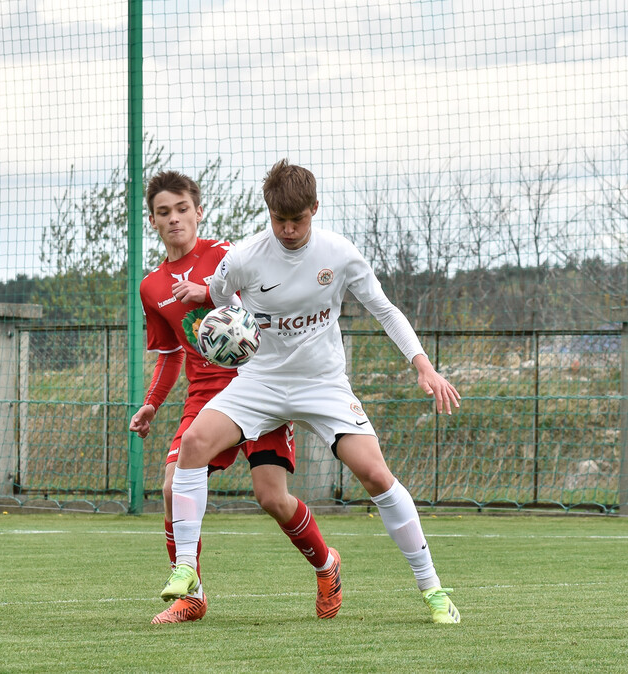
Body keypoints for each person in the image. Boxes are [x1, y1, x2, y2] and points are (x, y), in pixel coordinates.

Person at [160, 159, 463, 624]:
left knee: (376, 476)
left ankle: (434, 591)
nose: (287, 229)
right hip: (260, 382)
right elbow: (222, 301)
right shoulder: (242, 257)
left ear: (314, 209)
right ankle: (185, 570)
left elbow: (384, 309)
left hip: (322, 384)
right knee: (193, 446)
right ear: (268, 212)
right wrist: (233, 335)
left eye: (297, 219)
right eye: (279, 219)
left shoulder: (339, 254)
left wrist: (422, 364)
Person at [131, 169, 342, 625]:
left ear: (198, 211)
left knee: (272, 498)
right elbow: (169, 355)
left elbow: (277, 296)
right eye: (164, 212)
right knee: (171, 486)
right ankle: (192, 595)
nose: (174, 219)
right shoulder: (151, 287)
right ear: (152, 220)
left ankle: (327, 565)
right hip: (204, 396)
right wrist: (152, 402)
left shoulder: (232, 255)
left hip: (260, 384)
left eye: (182, 209)